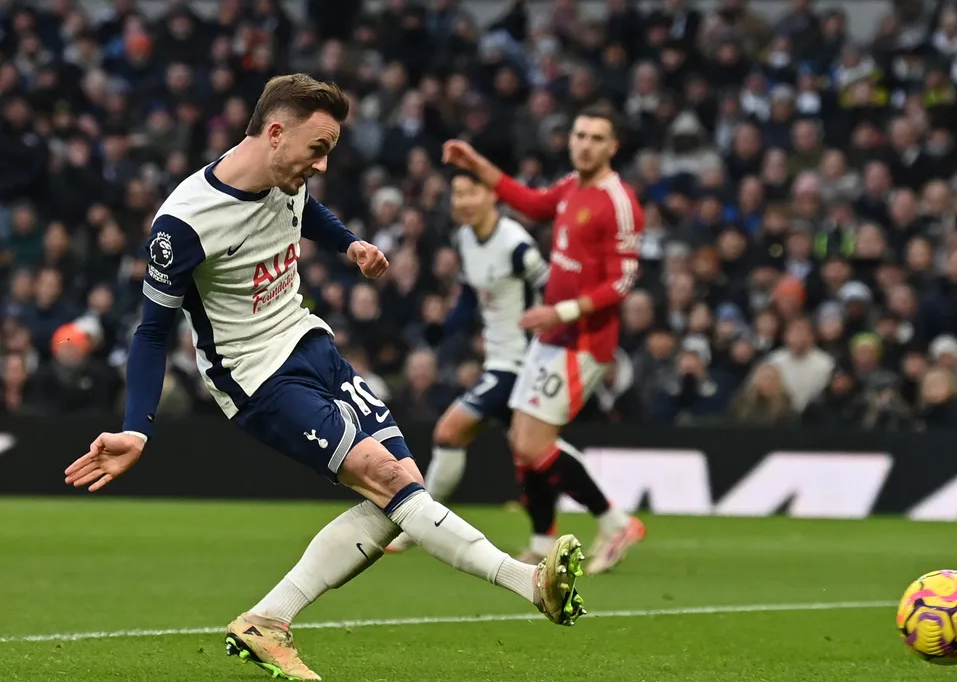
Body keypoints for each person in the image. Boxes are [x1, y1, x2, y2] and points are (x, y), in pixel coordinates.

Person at [62, 75, 586, 682]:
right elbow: (152, 333)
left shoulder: (286, 177)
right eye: (318, 148)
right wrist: (138, 430)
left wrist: (350, 244)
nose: (323, 163)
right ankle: (530, 584)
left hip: (310, 343)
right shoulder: (182, 224)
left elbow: (304, 210)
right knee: (391, 481)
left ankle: (267, 620)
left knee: (402, 493)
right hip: (255, 376)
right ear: (275, 133)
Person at [442, 104, 646, 575]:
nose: (585, 144)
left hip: (583, 339)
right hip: (552, 334)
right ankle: (540, 539)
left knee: (535, 444)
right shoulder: (572, 188)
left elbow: (622, 282)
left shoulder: (618, 201)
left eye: (596, 138)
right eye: (579, 135)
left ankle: (615, 523)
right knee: (522, 442)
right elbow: (531, 202)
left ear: (613, 147)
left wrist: (562, 310)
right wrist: (476, 165)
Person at [385, 171, 589, 562]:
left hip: (522, 363)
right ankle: (574, 529)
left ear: (491, 196)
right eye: (456, 193)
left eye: (469, 193)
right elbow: (468, 298)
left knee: (450, 431)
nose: (461, 201)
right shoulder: (465, 239)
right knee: (530, 450)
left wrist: (553, 333)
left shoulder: (516, 244)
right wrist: (444, 330)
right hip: (500, 361)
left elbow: (552, 287)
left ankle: (417, 522)